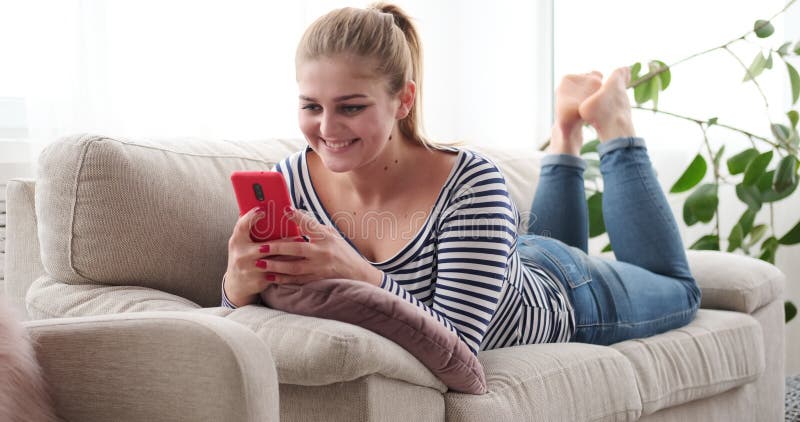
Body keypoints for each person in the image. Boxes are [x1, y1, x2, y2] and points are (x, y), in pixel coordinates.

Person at [221, 3, 700, 354]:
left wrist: (356, 270)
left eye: (351, 107)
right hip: (501, 263)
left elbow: (457, 344)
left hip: (566, 293)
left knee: (681, 290)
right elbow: (235, 309)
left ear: (403, 101)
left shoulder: (472, 183)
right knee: (537, 245)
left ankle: (614, 122)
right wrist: (236, 285)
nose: (326, 129)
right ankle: (566, 129)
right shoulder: (289, 181)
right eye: (311, 106)